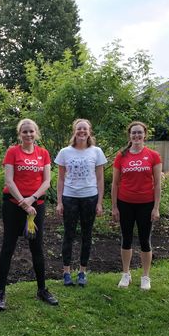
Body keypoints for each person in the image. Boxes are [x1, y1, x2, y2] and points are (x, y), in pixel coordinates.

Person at [0, 119, 58, 311]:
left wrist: (32, 199)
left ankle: (42, 289)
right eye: (24, 132)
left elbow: (47, 181)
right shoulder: (13, 152)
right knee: (8, 247)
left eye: (31, 131)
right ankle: (1, 293)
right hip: (13, 206)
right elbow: (9, 180)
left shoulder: (43, 154)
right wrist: (23, 202)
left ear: (36, 133)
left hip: (36, 207)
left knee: (37, 247)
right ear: (19, 134)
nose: (28, 135)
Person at [55, 119, 107, 287]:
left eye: (85, 129)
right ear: (74, 131)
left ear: (89, 131)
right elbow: (60, 179)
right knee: (68, 235)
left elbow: (100, 179)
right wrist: (59, 202)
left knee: (87, 235)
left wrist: (99, 202)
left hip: (90, 197)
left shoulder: (96, 151)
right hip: (69, 198)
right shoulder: (65, 152)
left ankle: (82, 271)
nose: (82, 131)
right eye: (79, 129)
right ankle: (66, 272)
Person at [111, 121, 162, 290]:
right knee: (126, 239)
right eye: (133, 133)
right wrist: (114, 207)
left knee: (144, 240)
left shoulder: (153, 155)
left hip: (146, 205)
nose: (137, 135)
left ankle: (145, 276)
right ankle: (126, 274)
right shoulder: (121, 156)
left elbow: (157, 184)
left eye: (140, 133)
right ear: (129, 135)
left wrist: (156, 207)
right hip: (125, 203)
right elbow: (115, 184)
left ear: (145, 135)